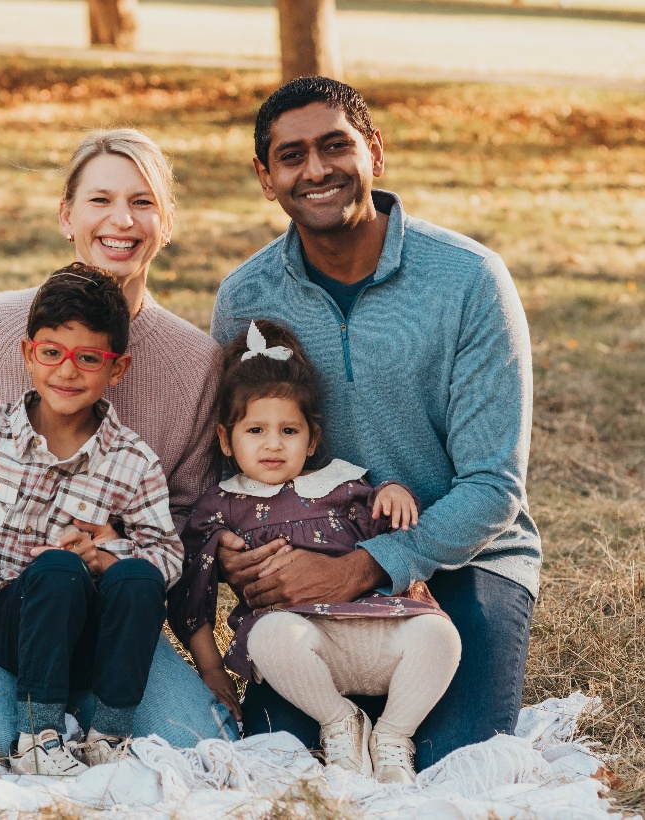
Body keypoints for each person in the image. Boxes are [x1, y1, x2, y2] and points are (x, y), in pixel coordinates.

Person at [210, 77, 540, 769]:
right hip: (306, 563)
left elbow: (493, 483)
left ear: (376, 152)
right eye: (292, 156)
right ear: (266, 178)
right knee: (284, 759)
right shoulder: (246, 297)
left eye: (337, 146)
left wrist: (366, 567)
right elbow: (238, 453)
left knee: (454, 760)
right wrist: (233, 551)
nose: (317, 169)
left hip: (463, 558)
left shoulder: (469, 278)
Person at [0, 129, 237, 760]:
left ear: (167, 222)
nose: (121, 220)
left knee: (196, 745)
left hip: (113, 616)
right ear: (66, 215)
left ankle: (90, 711)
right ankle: (28, 712)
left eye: (143, 202)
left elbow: (184, 515)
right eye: (100, 199)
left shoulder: (195, 363)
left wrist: (113, 549)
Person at [0, 264, 183, 775]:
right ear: (28, 354)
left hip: (91, 634)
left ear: (116, 369)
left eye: (89, 358)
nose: (67, 371)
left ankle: (110, 735)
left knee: (139, 575)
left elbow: (168, 553)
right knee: (56, 571)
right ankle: (39, 737)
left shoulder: (133, 460)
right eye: (52, 353)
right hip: (5, 619)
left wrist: (105, 557)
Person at [168, 320, 461, 784]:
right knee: (269, 636)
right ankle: (340, 722)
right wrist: (209, 666)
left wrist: (393, 492)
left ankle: (393, 737)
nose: (272, 443)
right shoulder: (222, 505)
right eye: (256, 429)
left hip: (377, 628)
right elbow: (190, 587)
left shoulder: (340, 484)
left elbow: (384, 524)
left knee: (439, 637)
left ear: (312, 440)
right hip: (306, 648)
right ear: (226, 439)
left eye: (289, 430)